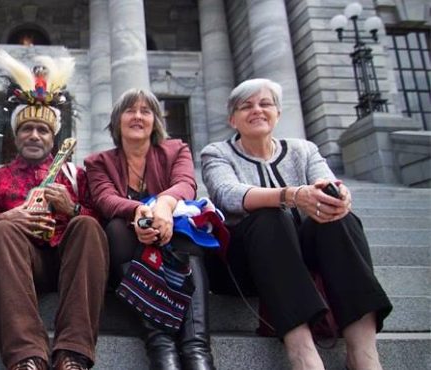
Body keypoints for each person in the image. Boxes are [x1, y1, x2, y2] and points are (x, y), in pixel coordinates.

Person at [200, 78, 392, 370]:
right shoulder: (216, 153)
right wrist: (291, 195)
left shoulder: (304, 150)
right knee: (270, 215)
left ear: (277, 113)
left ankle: (362, 352)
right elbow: (228, 195)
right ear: (232, 119)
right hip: (243, 263)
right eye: (246, 106)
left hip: (304, 256)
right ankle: (302, 351)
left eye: (265, 104)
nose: (257, 110)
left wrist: (338, 196)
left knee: (339, 218)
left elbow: (327, 182)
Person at [0, 50, 109, 370]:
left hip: (71, 264)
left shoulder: (77, 176)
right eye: (27, 129)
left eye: (42, 129)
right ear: (15, 136)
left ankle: (73, 353)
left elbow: (101, 224)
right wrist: (4, 217)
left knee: (88, 225)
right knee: (0, 228)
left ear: (54, 138)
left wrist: (74, 207)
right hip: (22, 266)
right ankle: (27, 355)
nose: (34, 135)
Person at [85, 89, 215, 370]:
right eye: (130, 111)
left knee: (184, 229)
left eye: (146, 111)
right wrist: (137, 212)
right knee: (117, 229)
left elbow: (185, 184)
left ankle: (196, 351)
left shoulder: (176, 149)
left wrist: (164, 206)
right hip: (129, 247)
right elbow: (104, 199)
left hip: (174, 244)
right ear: (117, 120)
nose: (138, 116)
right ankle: (161, 347)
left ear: (156, 120)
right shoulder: (98, 162)